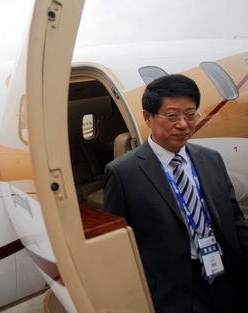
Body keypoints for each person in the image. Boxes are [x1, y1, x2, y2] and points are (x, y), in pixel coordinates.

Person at [103, 74, 248, 313]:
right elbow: (118, 248)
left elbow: (233, 219)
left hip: (223, 276)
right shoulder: (123, 174)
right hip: (174, 292)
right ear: (147, 118)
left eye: (190, 115)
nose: (183, 124)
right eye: (172, 116)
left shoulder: (210, 159)